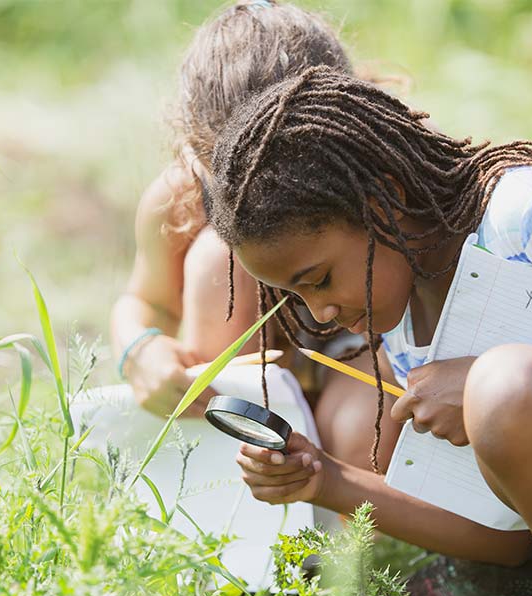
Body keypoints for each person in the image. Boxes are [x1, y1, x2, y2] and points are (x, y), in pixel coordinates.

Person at [208, 65, 532, 596]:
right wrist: (323, 479)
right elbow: (502, 538)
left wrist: (487, 384)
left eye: (319, 279)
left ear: (385, 201)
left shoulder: (525, 212)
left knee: (507, 387)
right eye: (296, 298)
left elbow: (513, 387)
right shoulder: (404, 327)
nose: (319, 311)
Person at [109, 0, 356, 420]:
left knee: (353, 423)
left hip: (362, 357)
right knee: (216, 260)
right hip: (253, 369)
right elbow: (147, 300)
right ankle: (236, 450)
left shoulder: (381, 168)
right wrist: (140, 350)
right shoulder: (178, 201)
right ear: (195, 155)